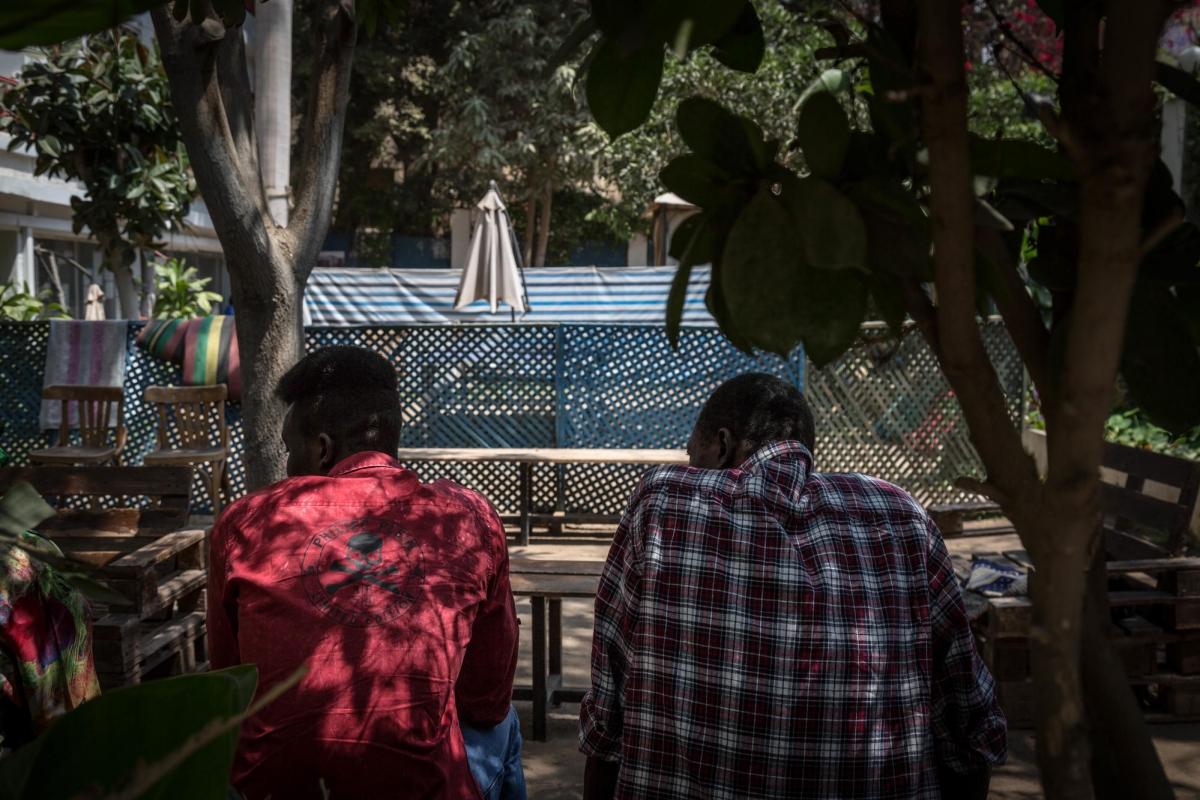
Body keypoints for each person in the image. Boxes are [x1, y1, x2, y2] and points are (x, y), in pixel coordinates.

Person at [579, 373, 1006, 800]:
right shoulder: (900, 516)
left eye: (694, 453)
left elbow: (608, 705)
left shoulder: (662, 502)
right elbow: (967, 720)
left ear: (723, 445)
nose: (690, 466)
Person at [207, 346, 523, 799]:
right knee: (505, 724)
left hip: (272, 787)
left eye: (288, 449)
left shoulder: (244, 522)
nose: (287, 463)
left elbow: (230, 685)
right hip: (421, 786)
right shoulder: (466, 516)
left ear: (320, 449)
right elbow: (487, 700)